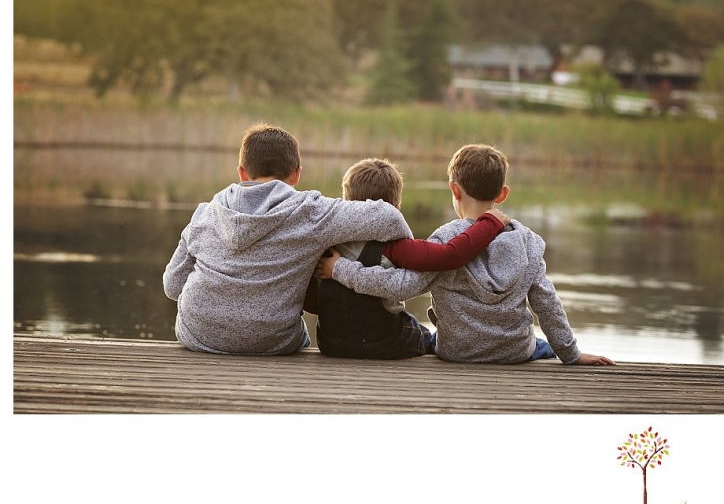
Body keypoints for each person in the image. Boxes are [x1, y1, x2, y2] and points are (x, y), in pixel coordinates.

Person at [316, 144, 615, 366]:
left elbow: (402, 285)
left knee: (421, 334)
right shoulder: (528, 242)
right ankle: (545, 347)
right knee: (538, 344)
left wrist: (342, 269)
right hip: (515, 352)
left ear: (454, 190)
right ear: (503, 194)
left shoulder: (445, 238)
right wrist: (571, 353)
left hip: (456, 351)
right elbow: (546, 302)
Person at [163, 122, 422, 356]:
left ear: (242, 173)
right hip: (273, 342)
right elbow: (388, 217)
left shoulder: (204, 213)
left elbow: (173, 286)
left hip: (197, 336)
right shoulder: (309, 212)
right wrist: (403, 254)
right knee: (306, 338)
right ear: (296, 174)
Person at [304, 157, 510, 360]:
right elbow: (450, 255)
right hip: (385, 344)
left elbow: (312, 301)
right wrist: (490, 222)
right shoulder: (397, 248)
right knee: (423, 334)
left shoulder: (327, 246)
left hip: (331, 343)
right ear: (396, 209)